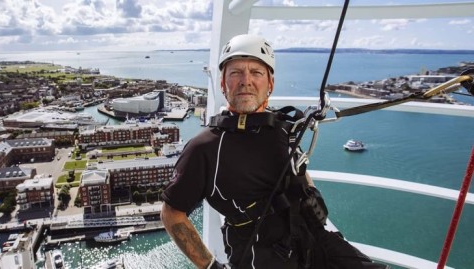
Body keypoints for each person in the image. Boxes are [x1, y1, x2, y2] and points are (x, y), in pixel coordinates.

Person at [161, 34, 389, 269]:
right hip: (260, 254)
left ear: (270, 84)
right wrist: (210, 266)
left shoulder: (283, 129)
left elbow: (297, 168)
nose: (245, 81)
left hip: (311, 238)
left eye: (256, 72)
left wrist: (310, 194)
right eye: (236, 72)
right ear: (223, 83)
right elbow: (172, 213)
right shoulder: (206, 147)